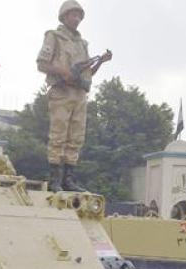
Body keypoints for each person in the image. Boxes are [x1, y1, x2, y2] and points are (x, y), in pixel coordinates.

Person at [36, 0, 111, 192]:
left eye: (79, 15)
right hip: (61, 92)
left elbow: (87, 75)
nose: (76, 19)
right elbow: (42, 64)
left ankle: (68, 179)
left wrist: (100, 62)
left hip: (79, 94)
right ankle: (55, 180)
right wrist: (63, 71)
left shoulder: (82, 44)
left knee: (76, 137)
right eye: (73, 14)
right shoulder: (54, 37)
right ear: (64, 16)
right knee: (58, 135)